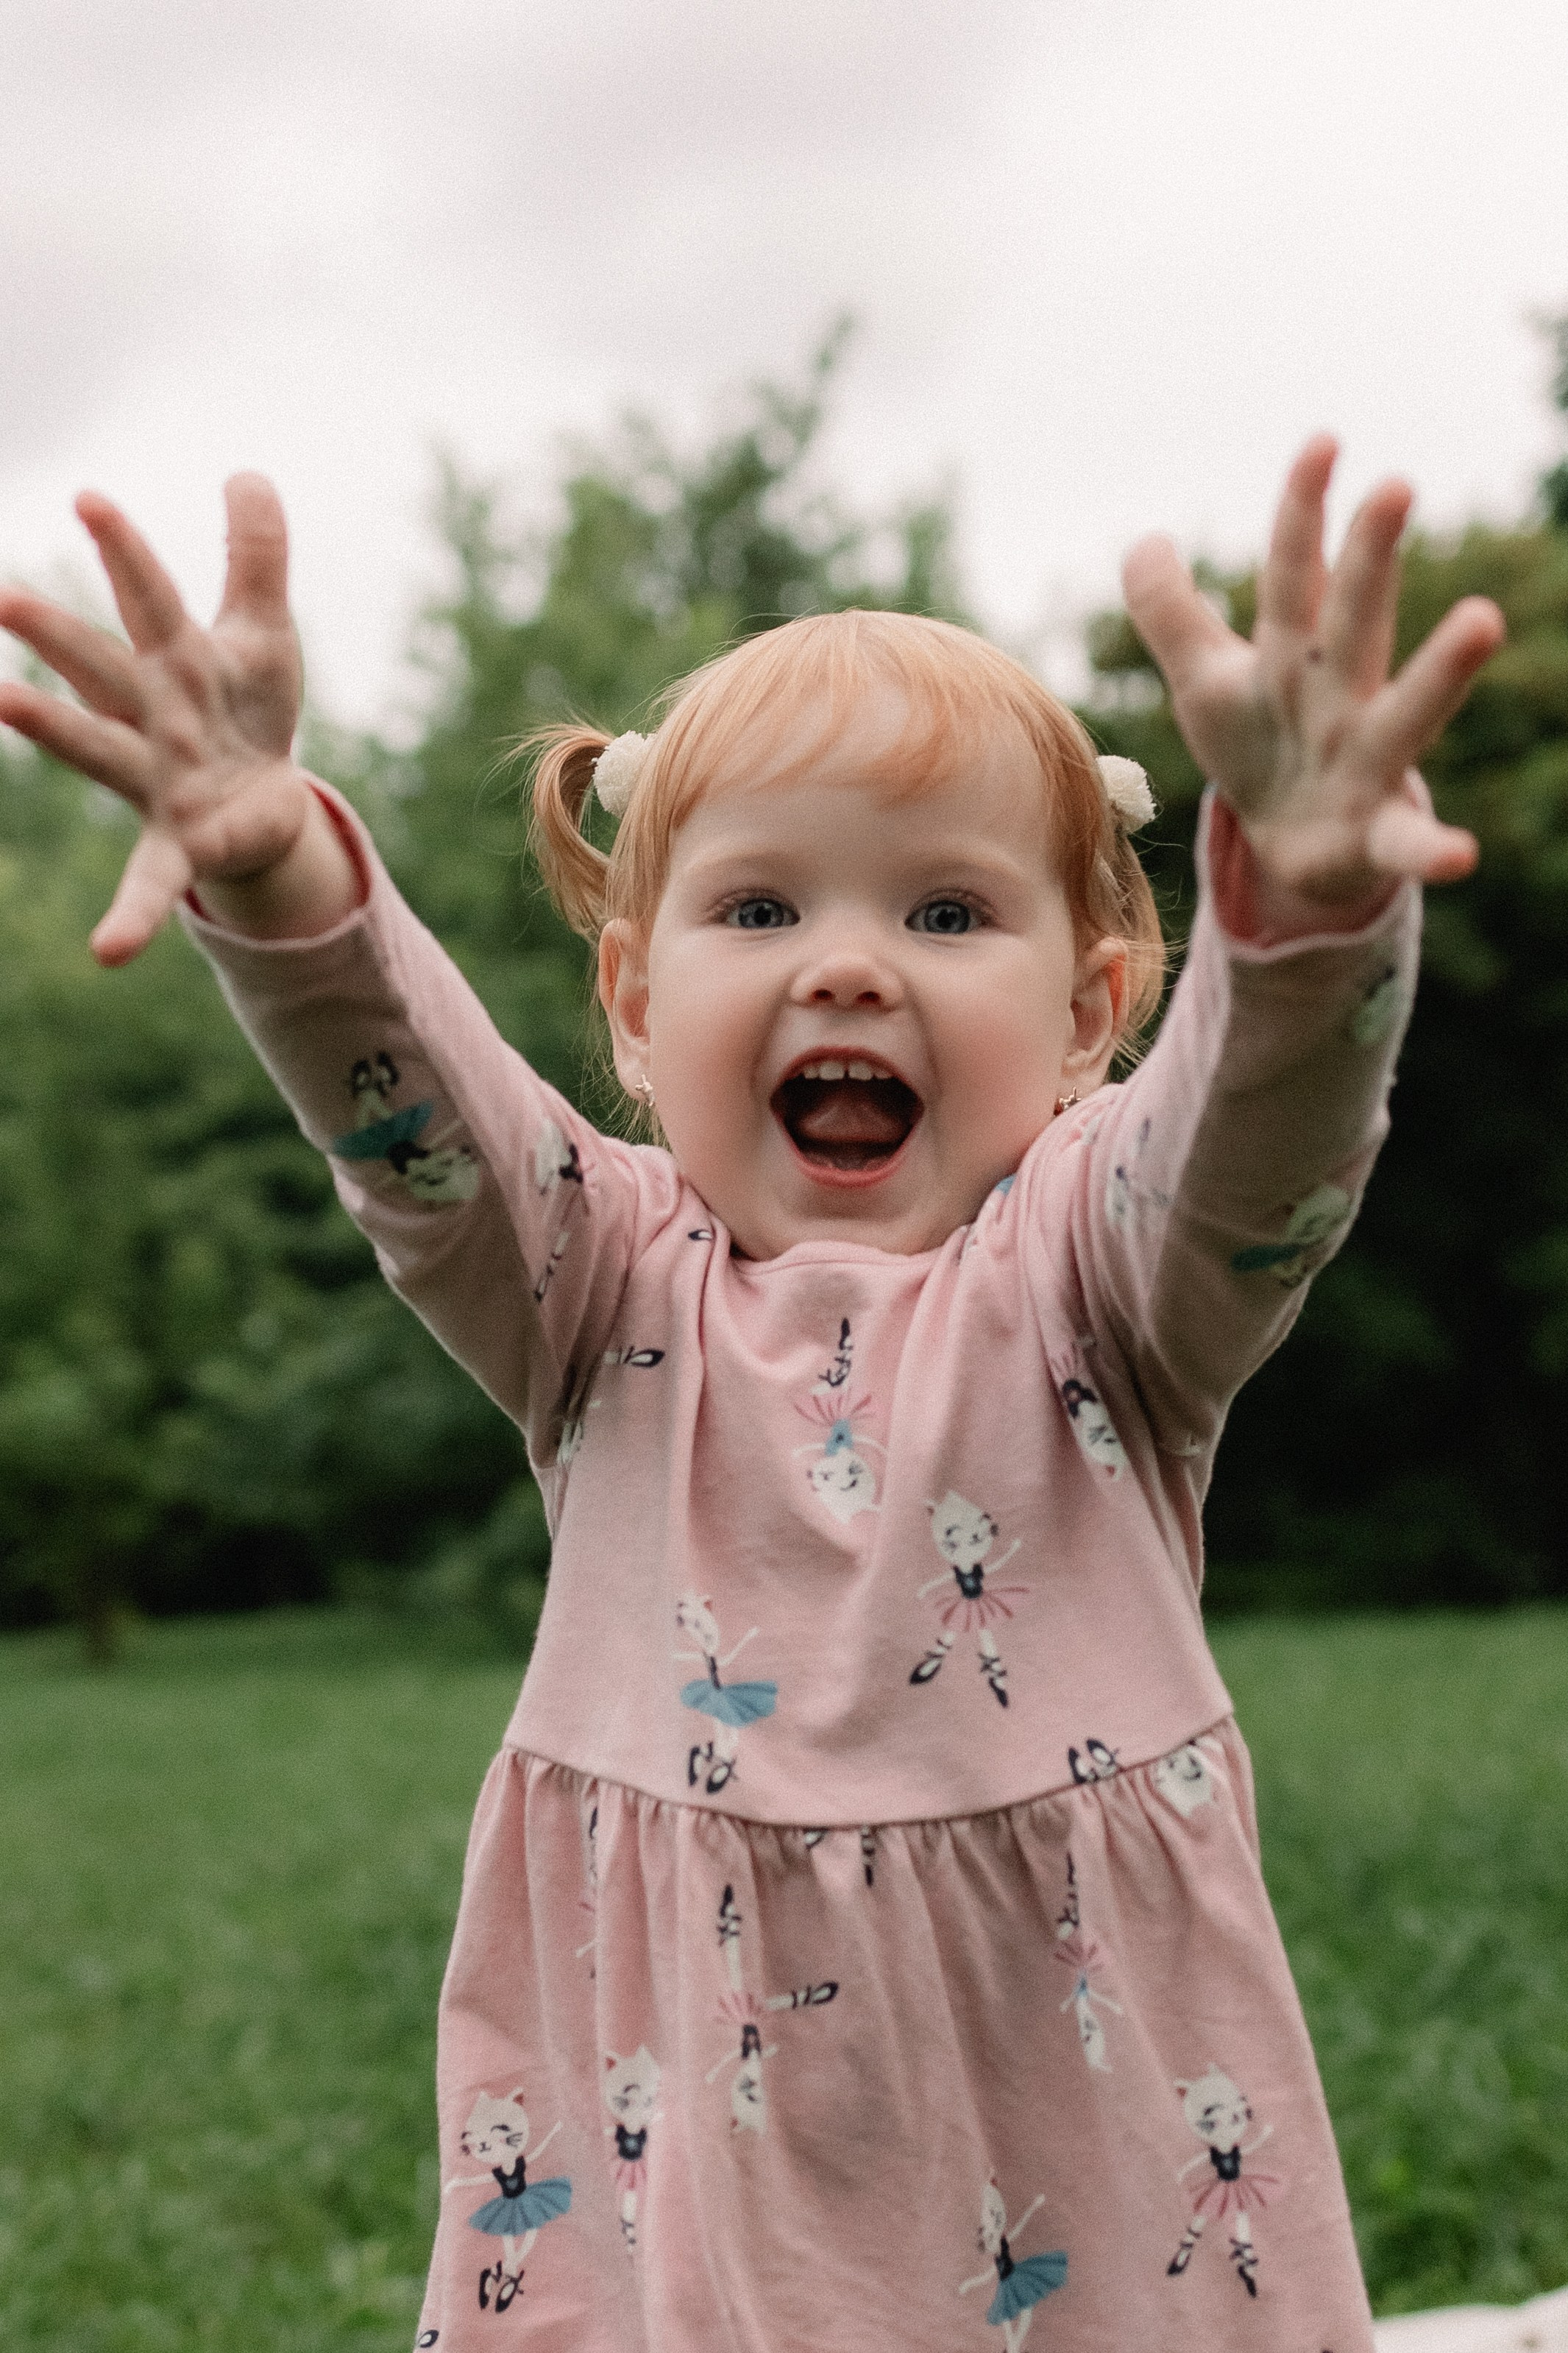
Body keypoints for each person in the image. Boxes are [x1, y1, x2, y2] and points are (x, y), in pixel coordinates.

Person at [0, 441, 1503, 2351]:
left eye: (946, 915)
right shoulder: (595, 1281)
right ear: (636, 1008)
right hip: (691, 2148)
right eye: (761, 910)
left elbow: (1254, 1151)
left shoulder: (1093, 1279)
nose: (848, 967)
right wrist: (275, 861)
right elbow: (415, 1123)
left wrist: (1305, 912)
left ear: (1089, 1013)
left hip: (1069, 2126)